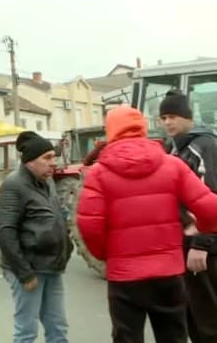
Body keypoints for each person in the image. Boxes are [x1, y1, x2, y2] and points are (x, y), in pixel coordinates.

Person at [77, 106, 217, 343]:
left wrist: (105, 255)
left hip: (125, 278)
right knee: (173, 336)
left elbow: (89, 225)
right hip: (169, 272)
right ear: (142, 128)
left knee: (127, 337)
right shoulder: (173, 165)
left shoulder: (99, 173)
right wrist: (200, 228)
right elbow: (211, 208)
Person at [0, 131, 72, 343]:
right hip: (30, 270)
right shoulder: (14, 185)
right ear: (30, 161)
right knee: (27, 332)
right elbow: (5, 231)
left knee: (58, 327)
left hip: (51, 266)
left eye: (54, 156)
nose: (53, 162)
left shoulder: (46, 182)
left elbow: (55, 215)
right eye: (47, 158)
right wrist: (24, 274)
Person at [159, 89, 217, 342]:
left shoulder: (203, 145)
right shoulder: (174, 149)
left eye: (173, 116)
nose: (168, 122)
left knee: (208, 320)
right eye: (163, 118)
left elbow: (212, 197)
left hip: (204, 249)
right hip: (184, 246)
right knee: (192, 316)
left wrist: (202, 243)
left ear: (188, 117)